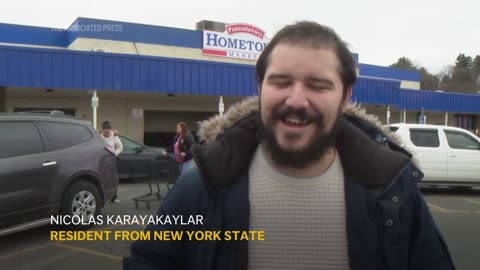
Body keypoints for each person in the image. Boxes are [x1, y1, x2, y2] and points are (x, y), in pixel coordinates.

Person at [124, 21, 455, 269]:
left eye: (318, 85)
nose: (297, 100)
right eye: (281, 82)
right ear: (261, 87)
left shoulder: (393, 191)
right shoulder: (203, 185)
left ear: (345, 97)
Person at [101, 120, 123, 203]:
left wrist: (115, 154)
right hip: (102, 160)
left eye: (108, 131)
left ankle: (114, 197)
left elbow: (120, 147)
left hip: (112, 160)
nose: (107, 133)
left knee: (112, 178)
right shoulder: (99, 136)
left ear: (110, 130)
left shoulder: (114, 136)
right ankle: (105, 197)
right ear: (102, 130)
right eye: (105, 132)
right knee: (103, 178)